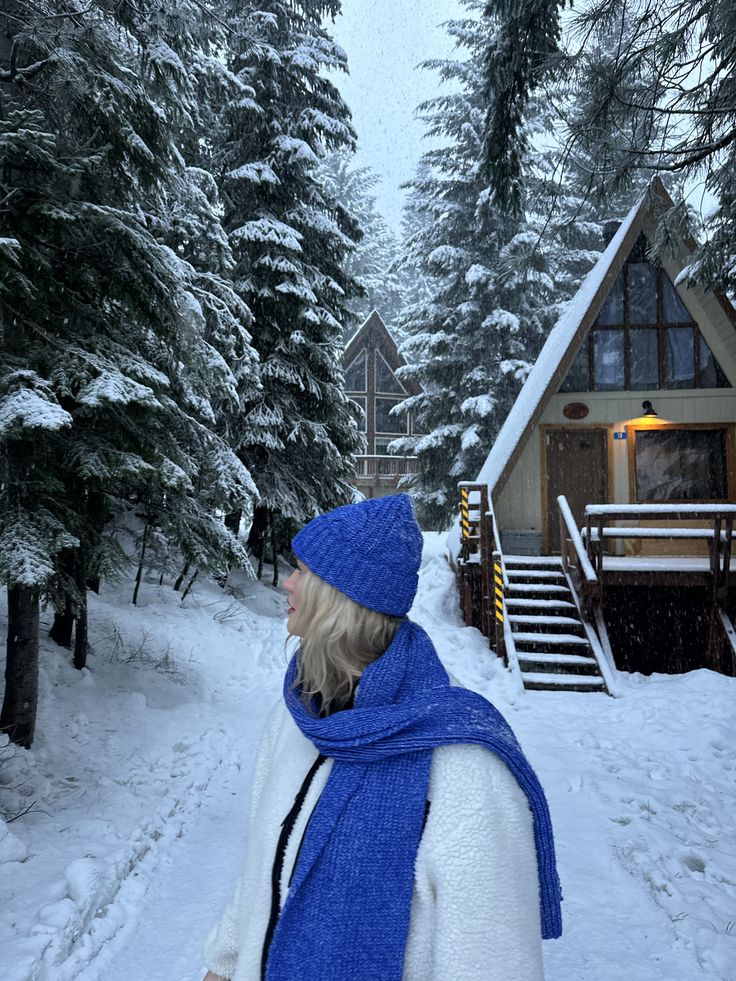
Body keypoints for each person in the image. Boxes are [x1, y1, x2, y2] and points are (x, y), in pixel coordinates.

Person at [203, 494, 561, 981]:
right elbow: (267, 861)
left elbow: (492, 959)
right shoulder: (298, 713)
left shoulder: (462, 760)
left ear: (341, 599)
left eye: (302, 571)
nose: (287, 582)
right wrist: (225, 962)